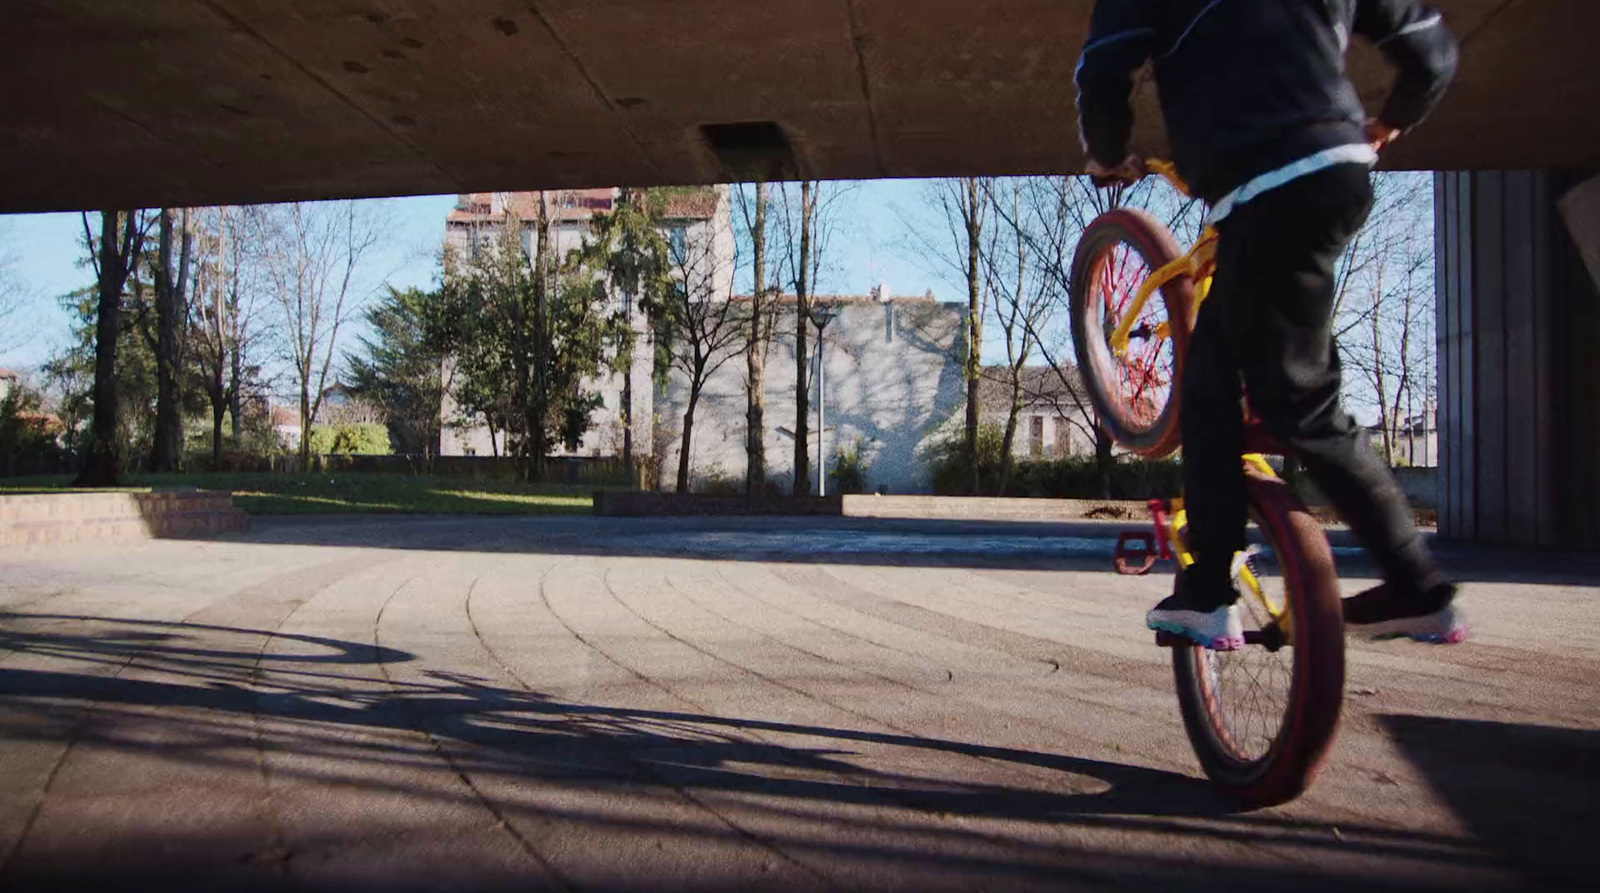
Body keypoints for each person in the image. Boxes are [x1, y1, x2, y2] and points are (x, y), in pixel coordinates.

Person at [1074, 0, 1467, 649]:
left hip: (1271, 187)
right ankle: (1207, 590)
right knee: (1209, 383)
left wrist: (1108, 153)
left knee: (1298, 400)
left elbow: (1101, 69)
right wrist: (1388, 122)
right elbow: (1433, 54)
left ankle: (1417, 583)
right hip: (1328, 178)